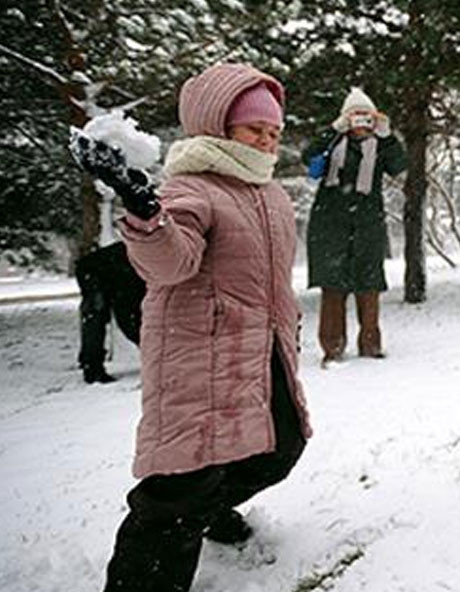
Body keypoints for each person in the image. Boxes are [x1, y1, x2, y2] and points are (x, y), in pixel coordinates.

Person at [71, 63, 312, 592]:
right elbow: (168, 264)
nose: (268, 142)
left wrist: (286, 327)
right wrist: (143, 211)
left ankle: (206, 512)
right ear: (217, 127)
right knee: (180, 489)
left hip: (260, 351)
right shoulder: (193, 188)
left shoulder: (270, 195)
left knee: (280, 448)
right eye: (255, 130)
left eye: (274, 132)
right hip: (199, 358)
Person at [303, 87, 406, 366]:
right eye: (355, 117)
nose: (361, 124)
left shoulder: (380, 146)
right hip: (330, 223)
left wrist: (387, 135)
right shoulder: (333, 142)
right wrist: (332, 130)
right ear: (346, 119)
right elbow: (308, 157)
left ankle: (371, 346)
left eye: (366, 117)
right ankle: (332, 348)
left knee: (369, 285)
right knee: (333, 287)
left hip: (367, 224)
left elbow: (399, 166)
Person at [74, 241, 145, 384]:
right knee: (96, 316)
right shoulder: (140, 274)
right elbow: (129, 319)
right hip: (95, 271)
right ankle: (92, 369)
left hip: (103, 269)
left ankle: (89, 361)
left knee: (95, 317)